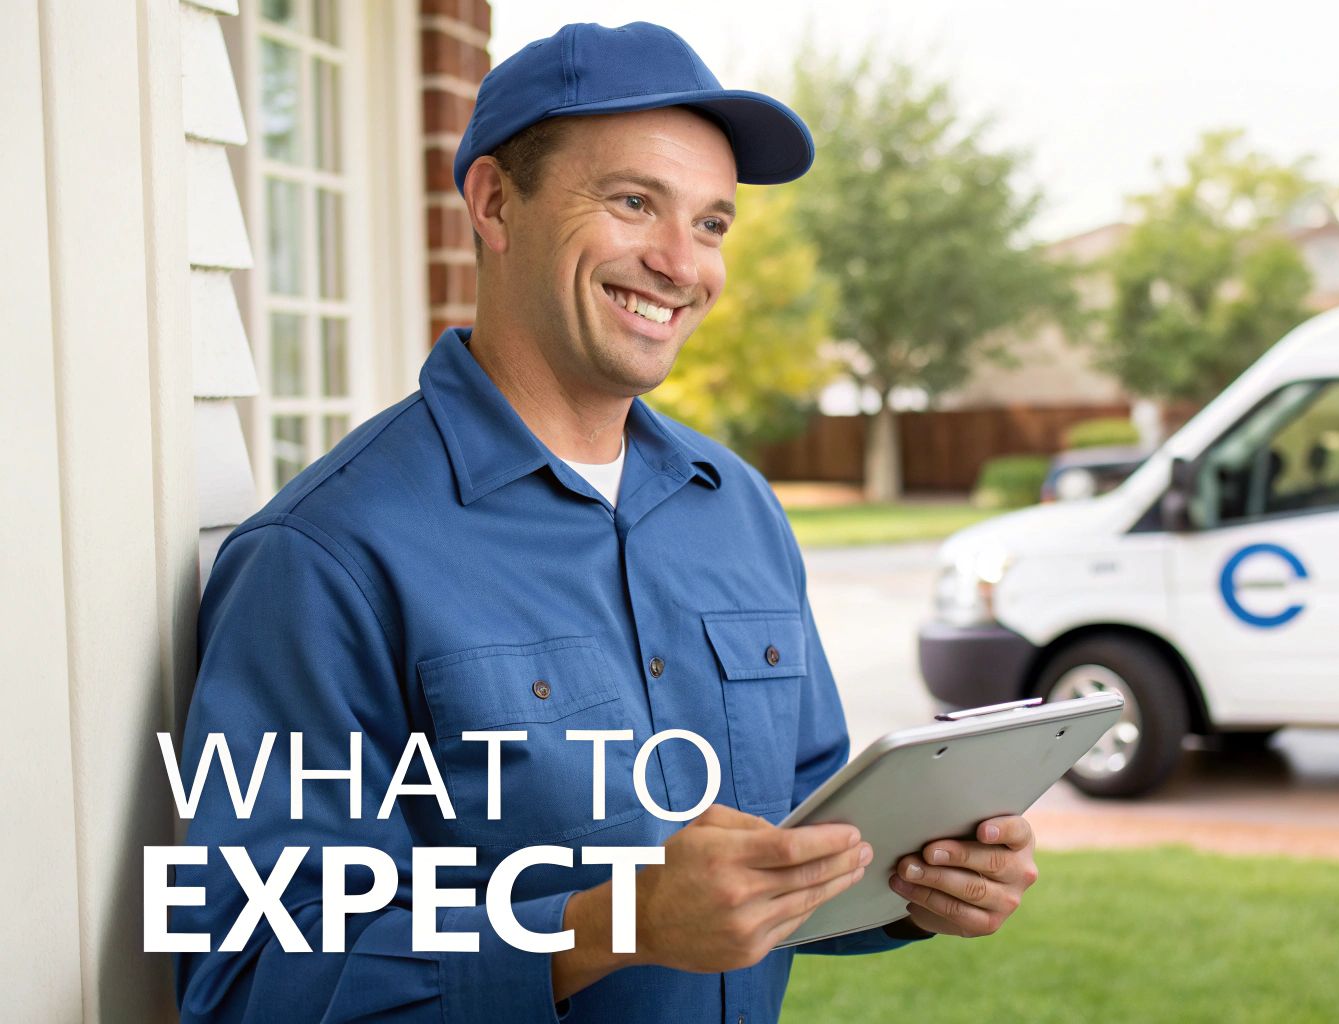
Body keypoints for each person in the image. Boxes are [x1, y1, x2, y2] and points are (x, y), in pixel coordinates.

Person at [171, 22, 1038, 1022]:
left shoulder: (737, 510)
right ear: (494, 203)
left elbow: (791, 846)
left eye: (711, 224)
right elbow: (247, 977)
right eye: (633, 202)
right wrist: (616, 924)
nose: (680, 263)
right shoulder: (322, 557)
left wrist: (920, 876)